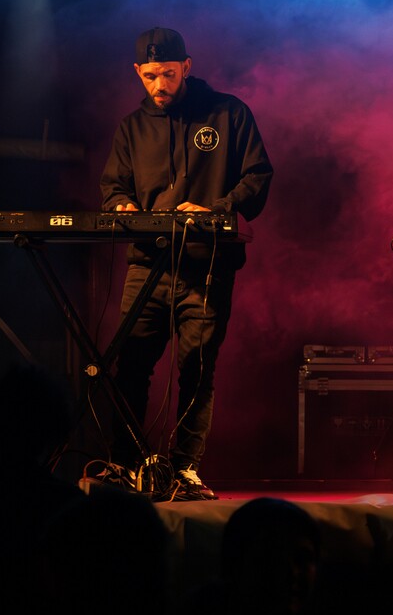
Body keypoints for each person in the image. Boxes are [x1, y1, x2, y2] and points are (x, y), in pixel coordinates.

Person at [101, 27, 273, 500]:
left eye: (169, 74)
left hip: (207, 264)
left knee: (197, 369)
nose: (160, 85)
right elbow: (113, 187)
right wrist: (121, 207)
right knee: (131, 367)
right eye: (150, 76)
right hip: (146, 265)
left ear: (187, 67)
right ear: (137, 72)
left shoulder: (229, 113)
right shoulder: (131, 129)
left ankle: (185, 470)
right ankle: (126, 465)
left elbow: (258, 176)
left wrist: (218, 208)